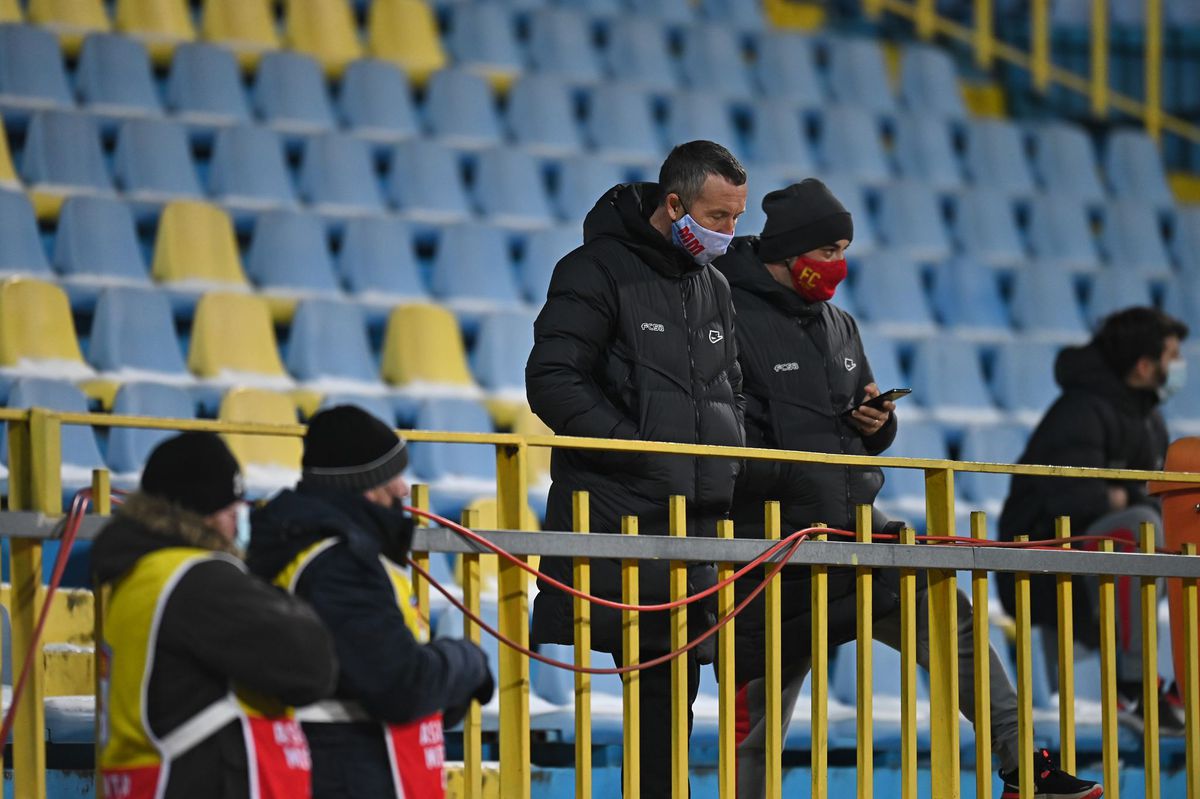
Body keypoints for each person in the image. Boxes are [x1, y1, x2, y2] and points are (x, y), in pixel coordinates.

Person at [716, 180, 1103, 799]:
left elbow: (864, 419)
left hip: (854, 530)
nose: (838, 264)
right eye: (828, 251)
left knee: (953, 617)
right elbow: (722, 431)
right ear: (789, 252)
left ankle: (1024, 770)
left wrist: (878, 423)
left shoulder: (839, 324)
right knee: (757, 720)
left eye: (844, 250)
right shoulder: (723, 311)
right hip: (772, 548)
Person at [525, 140, 748, 796]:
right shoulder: (594, 270)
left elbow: (730, 391)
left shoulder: (714, 286)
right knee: (659, 705)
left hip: (692, 528)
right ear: (673, 205)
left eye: (737, 216)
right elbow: (553, 380)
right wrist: (640, 451)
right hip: (624, 521)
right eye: (717, 216)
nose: (729, 231)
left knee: (671, 709)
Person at [246, 405, 495, 799]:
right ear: (363, 486)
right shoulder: (337, 564)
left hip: (342, 763)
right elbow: (399, 684)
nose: (403, 489)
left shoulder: (324, 549)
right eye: (391, 476)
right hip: (344, 769)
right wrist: (469, 662)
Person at [93, 432, 337, 799]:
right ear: (204, 515)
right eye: (232, 510)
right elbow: (311, 664)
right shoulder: (198, 580)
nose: (237, 525)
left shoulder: (142, 575)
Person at [1000, 306, 1189, 734]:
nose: (1180, 366)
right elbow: (1075, 499)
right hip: (1042, 564)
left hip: (1091, 558)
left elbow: (1150, 494)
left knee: (1170, 527)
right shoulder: (1079, 410)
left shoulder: (1148, 418)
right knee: (1138, 528)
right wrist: (1130, 499)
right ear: (1144, 366)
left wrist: (1124, 494)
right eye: (1173, 356)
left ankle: (1180, 680)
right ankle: (1133, 687)